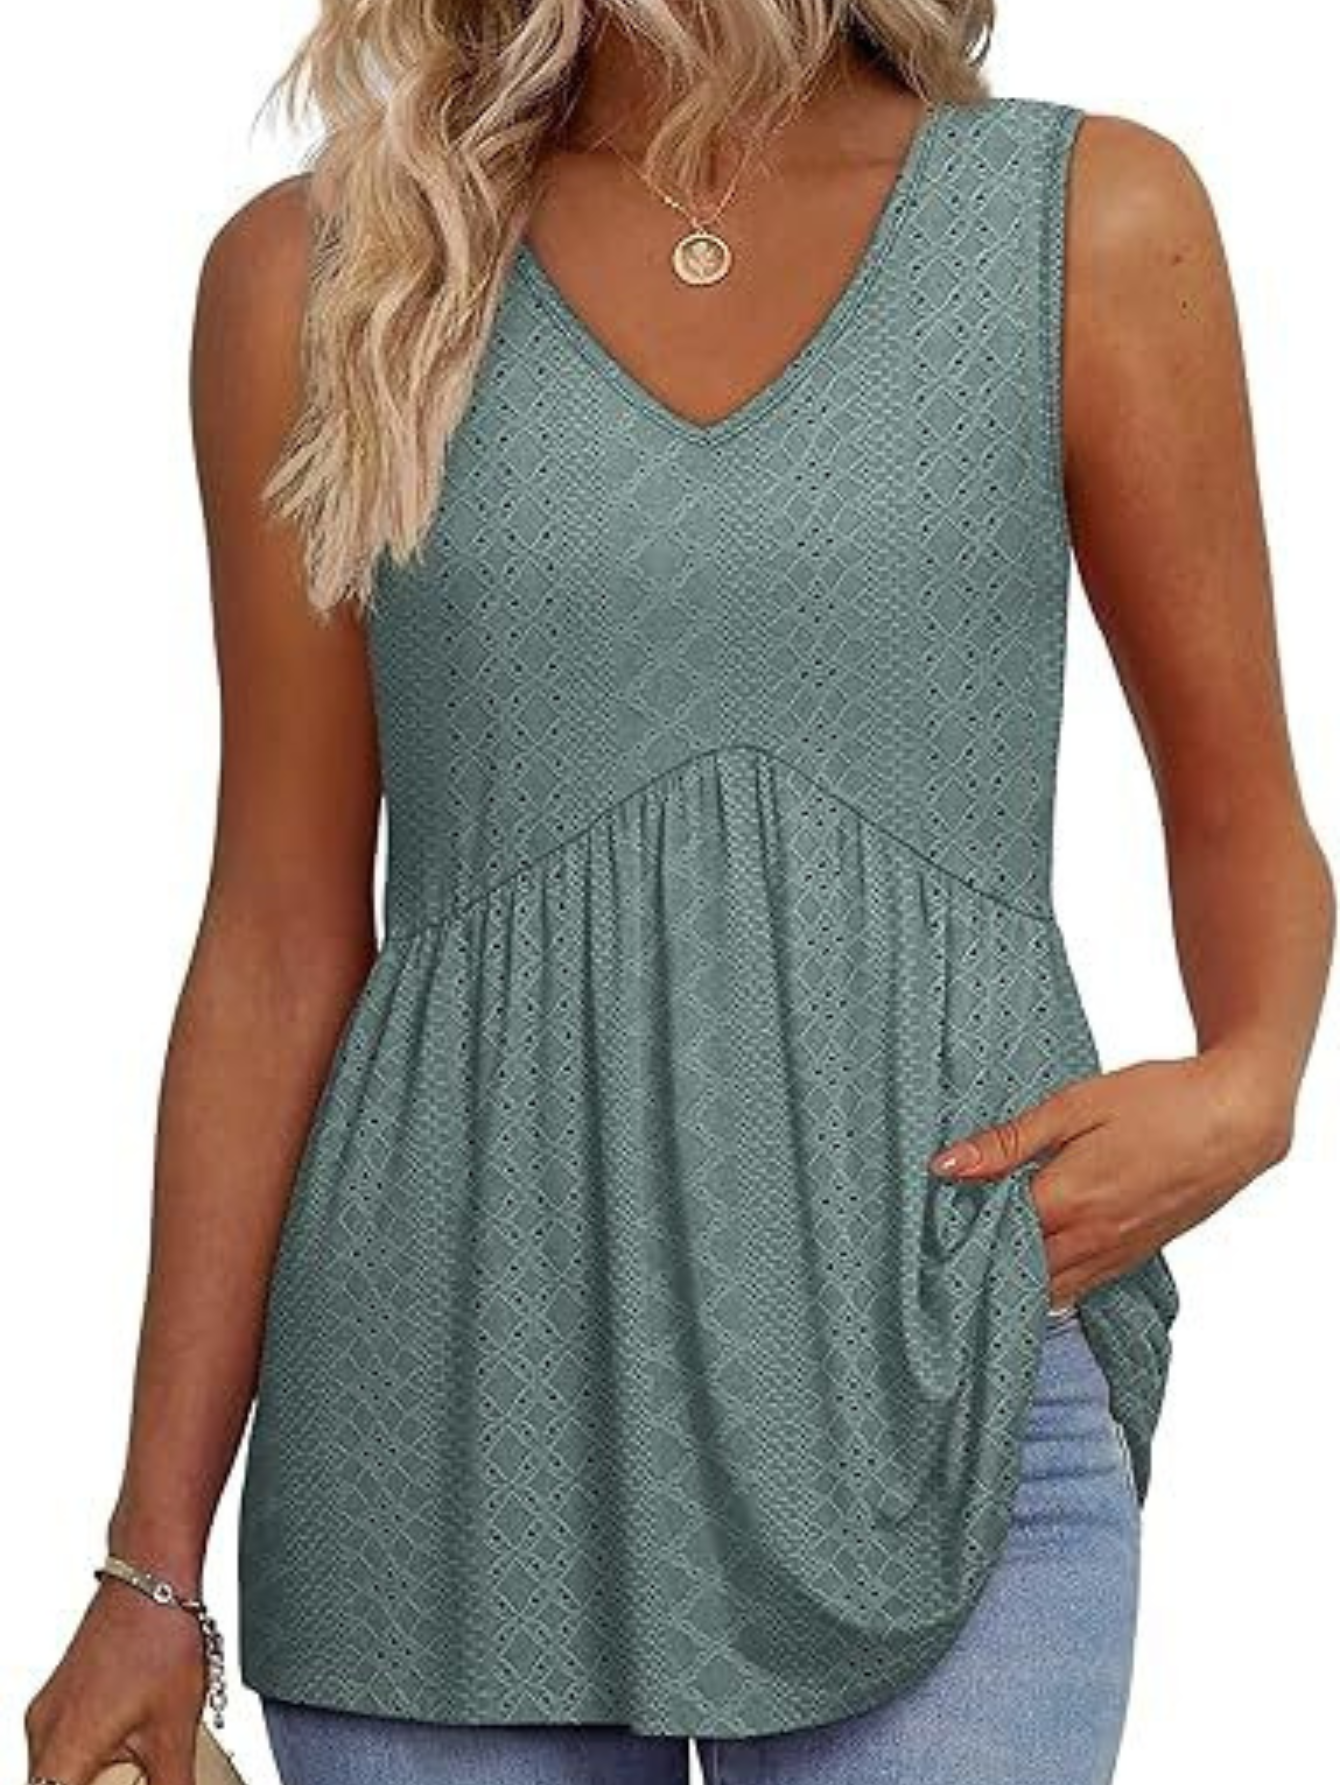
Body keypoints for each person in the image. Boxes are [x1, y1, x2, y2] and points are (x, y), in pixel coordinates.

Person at [23, 4, 1334, 1784]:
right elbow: (277, 929)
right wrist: (151, 1562)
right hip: (438, 1423)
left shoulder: (1083, 223)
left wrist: (1250, 1081)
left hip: (940, 1365)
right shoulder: (325, 273)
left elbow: (1241, 806)